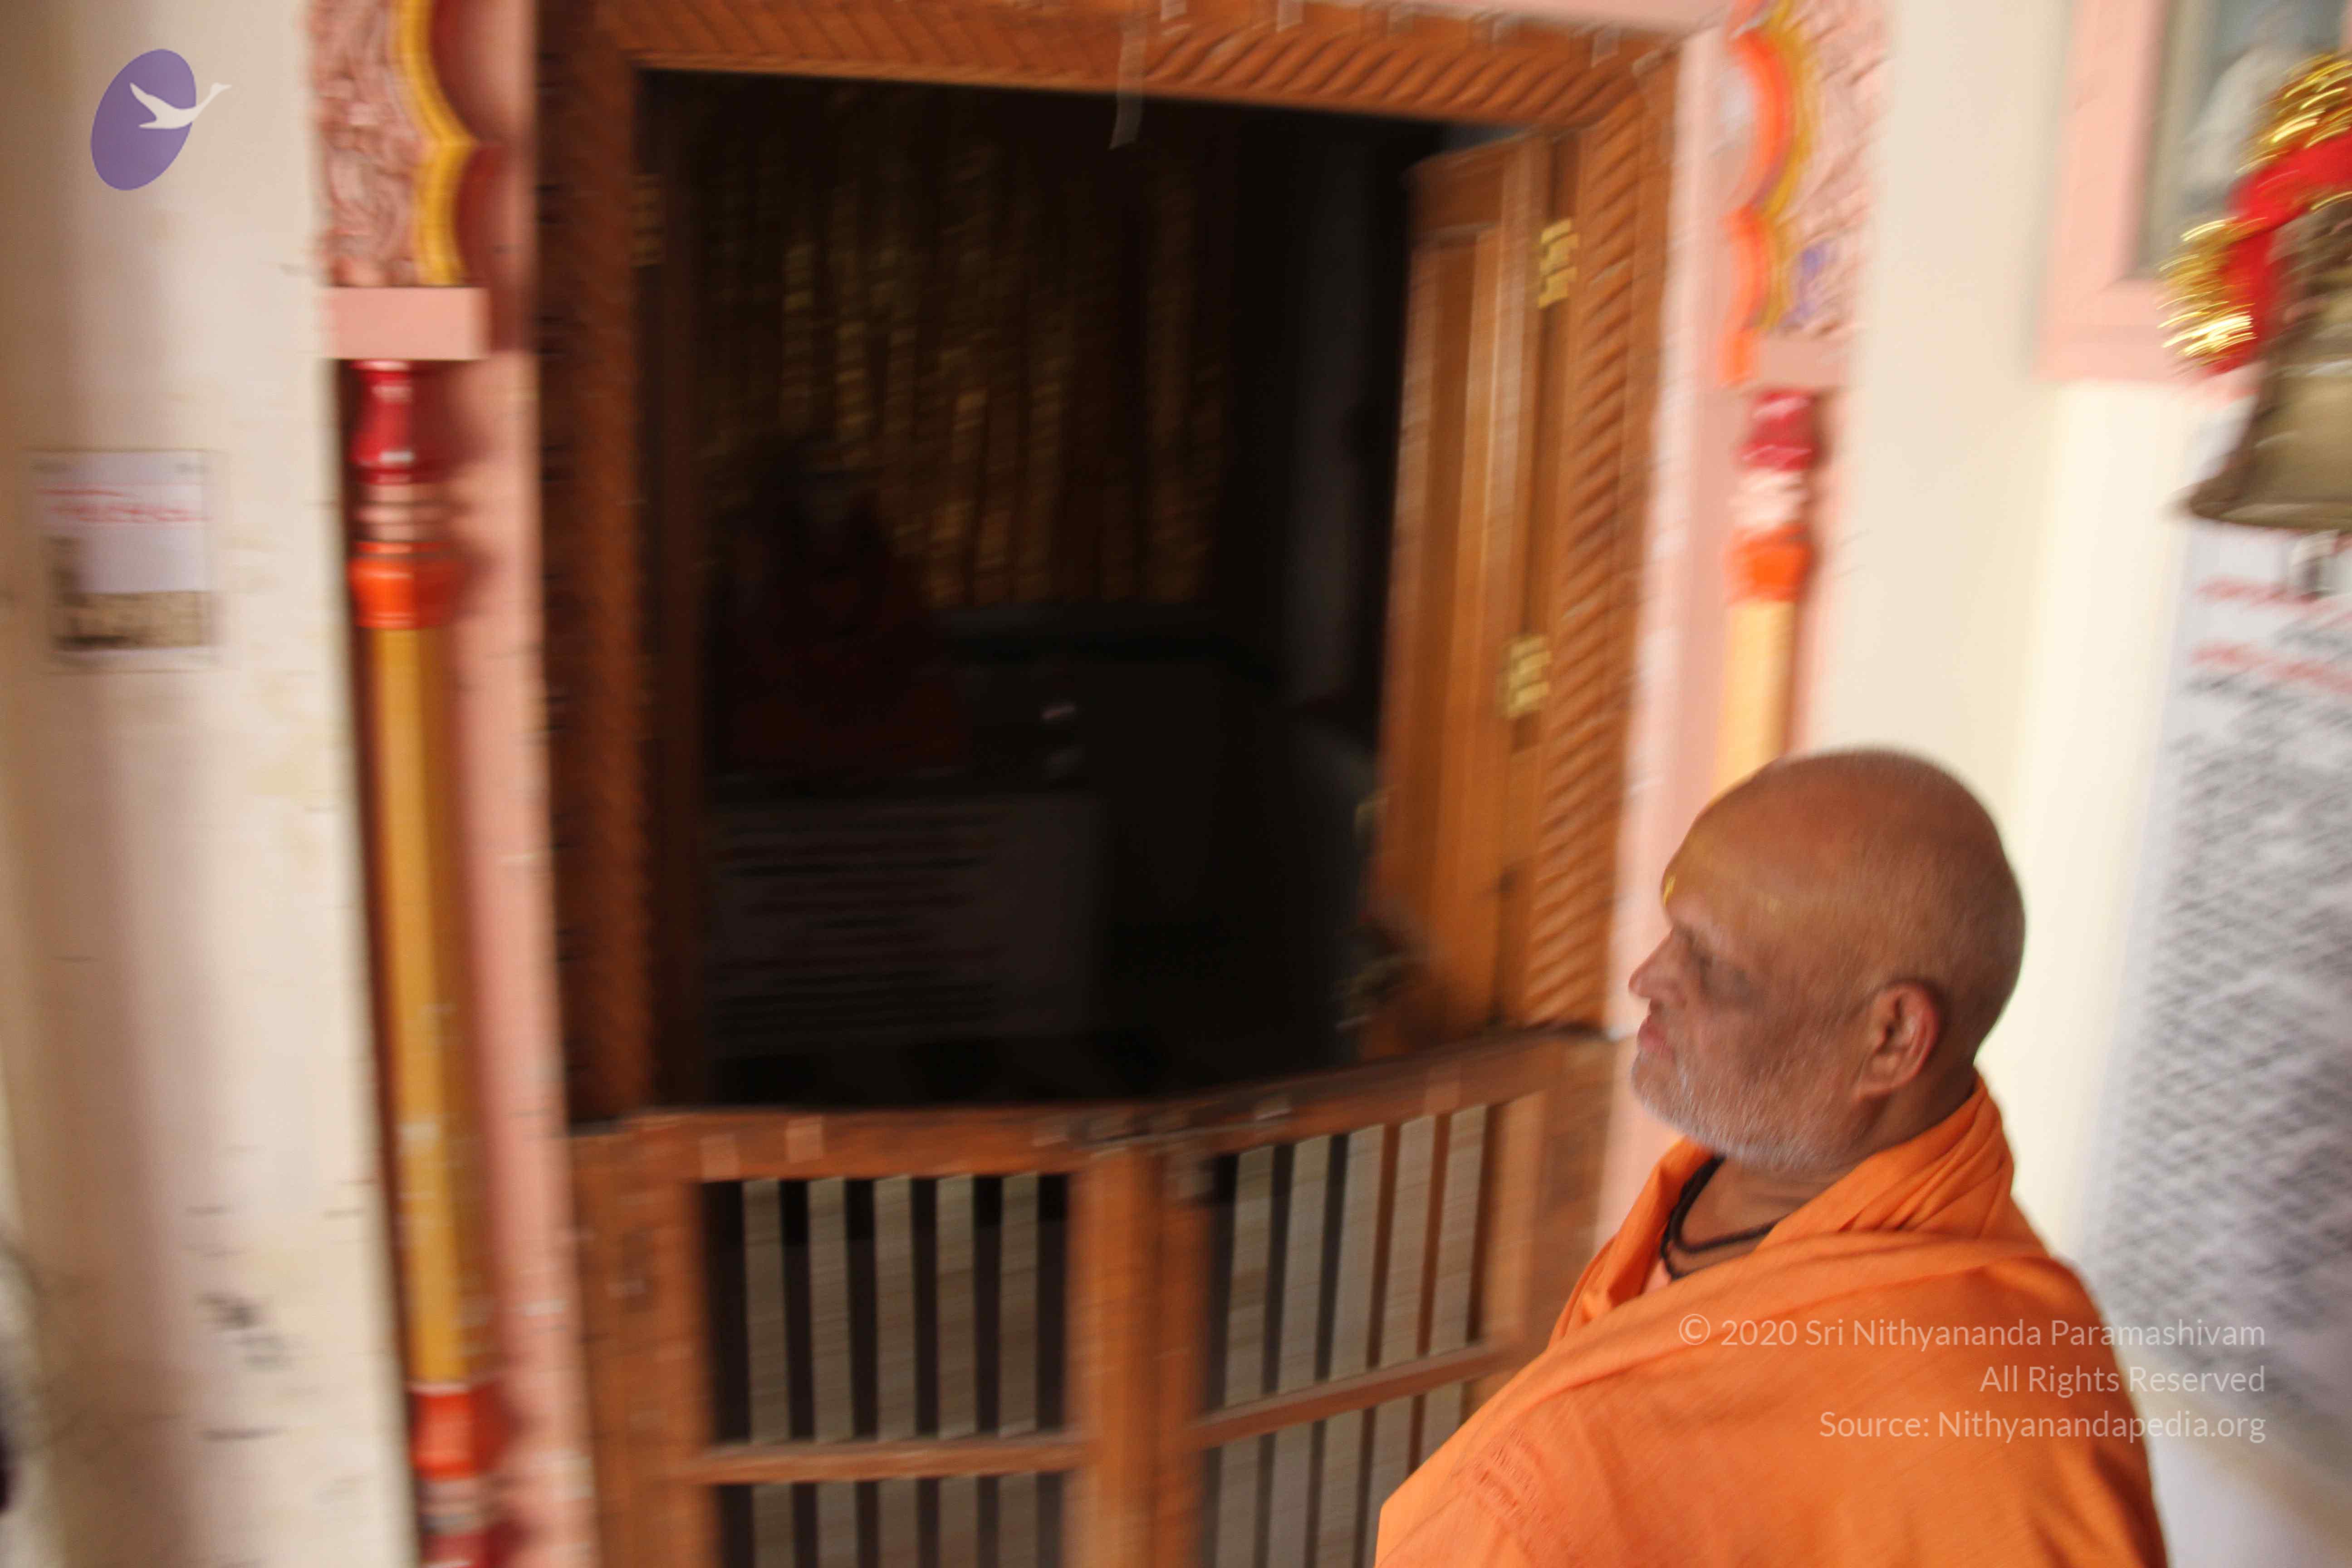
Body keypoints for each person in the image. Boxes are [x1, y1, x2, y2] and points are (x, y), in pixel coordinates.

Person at [1376, 750, 2167, 1566]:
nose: (1647, 978)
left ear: (1891, 1037)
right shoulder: (1741, 1171)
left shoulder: (2005, 1443)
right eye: (1674, 929)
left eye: (1712, 964)